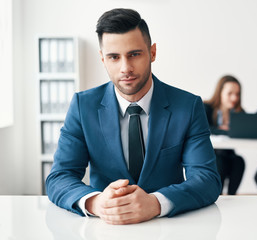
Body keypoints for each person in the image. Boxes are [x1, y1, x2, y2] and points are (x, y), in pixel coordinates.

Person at [46, 8, 221, 225]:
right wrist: (96, 203)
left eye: (134, 54)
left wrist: (155, 203)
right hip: (104, 227)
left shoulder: (188, 106)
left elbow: (207, 180)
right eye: (114, 57)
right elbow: (59, 177)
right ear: (103, 58)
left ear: (152, 52)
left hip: (170, 227)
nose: (125, 68)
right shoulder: (83, 107)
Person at [203, 75, 246, 195]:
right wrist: (227, 131)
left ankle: (232, 196)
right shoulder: (206, 108)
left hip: (229, 155)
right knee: (220, 162)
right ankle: (217, 196)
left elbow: (247, 131)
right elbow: (206, 129)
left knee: (239, 161)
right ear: (220, 93)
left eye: (237, 94)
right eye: (230, 93)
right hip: (211, 156)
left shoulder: (239, 113)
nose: (234, 98)